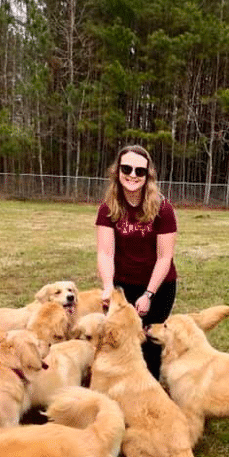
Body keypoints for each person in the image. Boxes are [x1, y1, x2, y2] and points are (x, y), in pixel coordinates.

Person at [96, 144, 178, 379]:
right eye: (127, 168)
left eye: (139, 171)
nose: (132, 175)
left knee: (149, 343)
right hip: (123, 286)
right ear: (117, 171)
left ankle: (149, 390)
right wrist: (109, 287)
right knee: (120, 340)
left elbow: (164, 258)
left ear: (147, 175)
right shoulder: (107, 209)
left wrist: (149, 294)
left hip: (159, 287)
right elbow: (105, 252)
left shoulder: (163, 209)